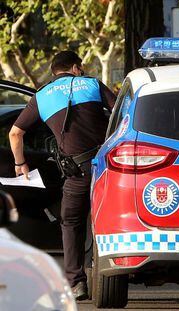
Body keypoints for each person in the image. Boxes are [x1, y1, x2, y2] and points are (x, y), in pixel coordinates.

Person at [8, 51, 116, 299]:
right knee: (111, 218)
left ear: (55, 71)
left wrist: (20, 164)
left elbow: (15, 133)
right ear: (76, 68)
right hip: (108, 169)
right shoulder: (92, 84)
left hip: (76, 173)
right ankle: (117, 271)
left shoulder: (42, 96)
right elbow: (122, 114)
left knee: (71, 223)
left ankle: (77, 283)